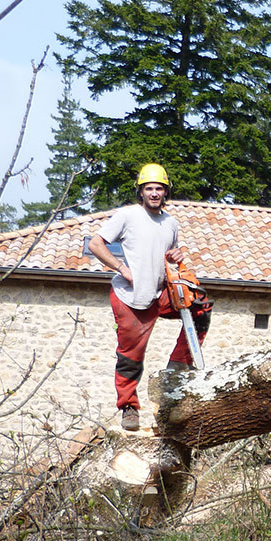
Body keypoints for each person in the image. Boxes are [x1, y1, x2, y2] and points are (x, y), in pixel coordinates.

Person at [88, 163, 212, 431]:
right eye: (149, 188)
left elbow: (169, 256)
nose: (154, 193)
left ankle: (177, 370)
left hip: (160, 294)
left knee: (200, 308)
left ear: (165, 192)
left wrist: (176, 256)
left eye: (159, 189)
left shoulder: (171, 223)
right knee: (131, 356)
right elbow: (95, 244)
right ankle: (129, 407)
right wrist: (121, 267)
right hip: (130, 298)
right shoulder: (127, 216)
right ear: (141, 191)